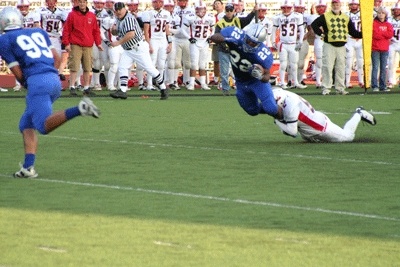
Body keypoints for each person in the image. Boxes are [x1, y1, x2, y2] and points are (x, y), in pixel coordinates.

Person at [0, 7, 100, 178]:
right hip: (53, 79)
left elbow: (16, 70)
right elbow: (57, 58)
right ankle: (28, 167)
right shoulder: (38, 31)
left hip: (37, 82)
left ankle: (80, 109)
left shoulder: (4, 39)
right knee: (26, 125)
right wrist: (49, 75)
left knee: (43, 126)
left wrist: (28, 82)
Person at [210, 24, 281, 119]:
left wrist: (260, 76)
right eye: (249, 40)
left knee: (271, 109)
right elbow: (214, 37)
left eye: (254, 43)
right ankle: (276, 106)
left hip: (256, 82)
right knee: (252, 111)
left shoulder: (263, 54)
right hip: (241, 82)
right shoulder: (236, 35)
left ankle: (287, 116)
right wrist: (225, 39)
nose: (250, 44)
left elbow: (267, 77)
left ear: (259, 44)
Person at [109, 2, 168, 100]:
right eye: (116, 10)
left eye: (120, 9)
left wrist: (118, 43)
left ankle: (163, 88)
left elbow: (131, 34)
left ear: (124, 9)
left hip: (137, 48)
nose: (118, 12)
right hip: (128, 49)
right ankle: (123, 90)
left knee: (149, 69)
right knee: (122, 67)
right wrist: (113, 30)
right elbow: (117, 32)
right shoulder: (118, 18)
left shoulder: (129, 18)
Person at [272, 87, 376, 143]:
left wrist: (276, 120)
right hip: (309, 130)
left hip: (321, 127)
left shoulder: (291, 105)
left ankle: (359, 113)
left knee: (348, 137)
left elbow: (292, 132)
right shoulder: (285, 96)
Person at [311, 0, 362, 95]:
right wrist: (322, 34)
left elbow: (352, 31)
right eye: (334, 4)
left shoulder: (346, 17)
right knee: (327, 67)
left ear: (340, 5)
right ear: (331, 5)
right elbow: (314, 25)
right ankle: (326, 88)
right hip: (329, 45)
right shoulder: (325, 16)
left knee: (341, 67)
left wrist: (363, 34)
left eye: (337, 4)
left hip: (342, 46)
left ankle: (340, 88)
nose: (335, 6)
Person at [214, 3, 257, 95]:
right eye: (227, 10)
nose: (229, 12)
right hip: (224, 49)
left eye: (231, 10)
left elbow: (247, 20)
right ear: (225, 11)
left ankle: (240, 88)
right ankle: (225, 89)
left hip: (236, 50)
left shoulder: (237, 20)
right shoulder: (220, 23)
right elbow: (216, 35)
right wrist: (223, 43)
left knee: (238, 70)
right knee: (224, 71)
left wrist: (253, 12)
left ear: (234, 11)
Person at [62, 0, 103, 96]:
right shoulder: (72, 15)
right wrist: (66, 43)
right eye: (80, 2)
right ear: (77, 3)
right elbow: (66, 30)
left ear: (86, 3)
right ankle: (72, 86)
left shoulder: (91, 15)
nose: (82, 4)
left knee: (87, 67)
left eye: (83, 2)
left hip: (88, 45)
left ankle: (86, 87)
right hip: (76, 44)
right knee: (74, 66)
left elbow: (96, 31)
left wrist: (98, 43)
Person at [271, 0, 307, 89]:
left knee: (294, 64)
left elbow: (302, 30)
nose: (286, 9)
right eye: (284, 8)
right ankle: (282, 82)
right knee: (283, 64)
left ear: (291, 8)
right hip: (283, 43)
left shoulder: (297, 16)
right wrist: (273, 41)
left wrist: (301, 41)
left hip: (293, 43)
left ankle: (295, 82)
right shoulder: (277, 17)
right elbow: (274, 30)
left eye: (288, 8)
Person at [183, 0, 215, 90]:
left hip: (204, 42)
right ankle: (191, 83)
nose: (201, 11)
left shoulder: (209, 17)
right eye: (199, 9)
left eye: (202, 9)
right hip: (195, 42)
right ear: (195, 9)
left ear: (205, 9)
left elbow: (213, 28)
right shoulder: (190, 17)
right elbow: (183, 29)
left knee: (202, 64)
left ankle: (203, 83)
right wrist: (189, 38)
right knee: (193, 64)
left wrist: (210, 37)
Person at [142, 0, 172, 91]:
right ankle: (150, 84)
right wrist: (148, 44)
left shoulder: (166, 13)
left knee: (162, 63)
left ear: (162, 3)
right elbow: (146, 30)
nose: (157, 4)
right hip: (153, 40)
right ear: (152, 3)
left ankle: (160, 84)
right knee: (152, 62)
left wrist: (170, 42)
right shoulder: (148, 13)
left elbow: (167, 29)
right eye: (155, 2)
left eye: (159, 2)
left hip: (163, 40)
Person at [38, 0, 69, 81]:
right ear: (46, 2)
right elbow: (37, 24)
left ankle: (54, 78)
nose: (51, 3)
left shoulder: (61, 12)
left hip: (56, 38)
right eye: (49, 1)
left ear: (56, 2)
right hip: (46, 38)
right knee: (47, 59)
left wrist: (63, 36)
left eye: (53, 1)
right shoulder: (41, 11)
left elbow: (66, 25)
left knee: (57, 59)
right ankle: (46, 79)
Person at [371, 7, 393, 92]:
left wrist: (382, 34)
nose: (381, 14)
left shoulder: (388, 24)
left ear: (385, 14)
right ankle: (374, 85)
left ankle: (383, 85)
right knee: (375, 67)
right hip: (375, 48)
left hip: (385, 48)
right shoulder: (373, 23)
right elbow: (375, 34)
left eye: (382, 13)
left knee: (384, 68)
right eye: (379, 13)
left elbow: (390, 34)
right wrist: (384, 34)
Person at [345, 0, 364, 89]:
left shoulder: (363, 13)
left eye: (355, 4)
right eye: (351, 4)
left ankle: (361, 81)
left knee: (360, 61)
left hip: (360, 40)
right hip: (350, 39)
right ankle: (347, 82)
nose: (353, 6)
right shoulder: (346, 14)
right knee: (348, 62)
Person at [387, 3, 400, 89]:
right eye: (395, 10)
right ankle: (391, 80)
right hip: (391, 43)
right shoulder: (389, 20)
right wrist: (388, 38)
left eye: (398, 10)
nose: (396, 11)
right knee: (391, 63)